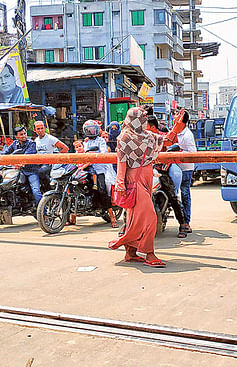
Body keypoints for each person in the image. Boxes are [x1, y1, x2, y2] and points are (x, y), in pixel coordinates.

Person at [109, 107, 168, 266]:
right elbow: (121, 161)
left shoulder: (148, 136)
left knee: (136, 217)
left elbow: (167, 139)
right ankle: (149, 253)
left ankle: (130, 252)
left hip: (147, 177)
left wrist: (178, 125)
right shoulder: (124, 137)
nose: (143, 121)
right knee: (150, 216)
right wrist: (120, 183)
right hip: (133, 179)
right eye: (141, 118)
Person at [82, 119, 119, 227]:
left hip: (99, 169)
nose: (91, 132)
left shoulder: (100, 141)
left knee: (102, 190)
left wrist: (93, 154)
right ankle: (71, 217)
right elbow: (82, 152)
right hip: (87, 168)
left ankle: (112, 217)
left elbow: (103, 152)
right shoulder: (86, 142)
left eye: (93, 130)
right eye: (89, 130)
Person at [2, 126, 42, 206]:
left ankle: (42, 213)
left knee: (36, 191)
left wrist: (20, 164)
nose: (24, 135)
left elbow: (27, 156)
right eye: (21, 134)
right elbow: (5, 153)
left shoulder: (31, 143)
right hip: (18, 171)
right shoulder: (14, 144)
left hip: (31, 171)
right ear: (16, 137)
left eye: (24, 133)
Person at [176, 110, 197, 234]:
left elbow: (192, 153)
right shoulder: (174, 132)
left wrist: (180, 152)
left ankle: (185, 222)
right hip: (174, 167)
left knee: (184, 194)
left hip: (185, 169)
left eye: (178, 116)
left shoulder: (187, 135)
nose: (174, 117)